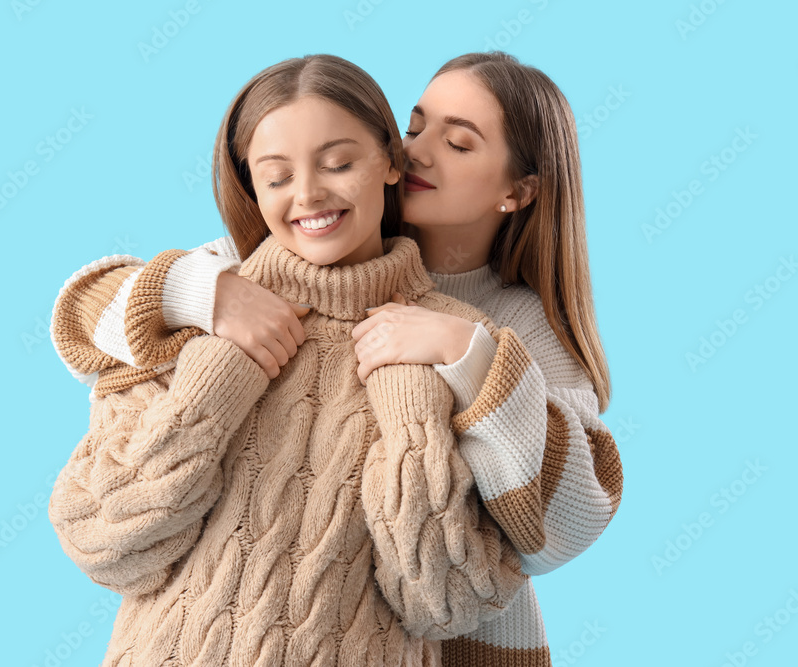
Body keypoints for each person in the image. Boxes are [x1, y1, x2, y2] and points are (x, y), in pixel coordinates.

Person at [51, 51, 624, 664]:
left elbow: (556, 532)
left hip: (459, 646)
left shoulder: (506, 329)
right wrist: (201, 295)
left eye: (458, 143)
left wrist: (470, 362)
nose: (419, 153)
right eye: (413, 127)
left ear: (518, 190)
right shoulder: (249, 273)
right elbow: (84, 319)